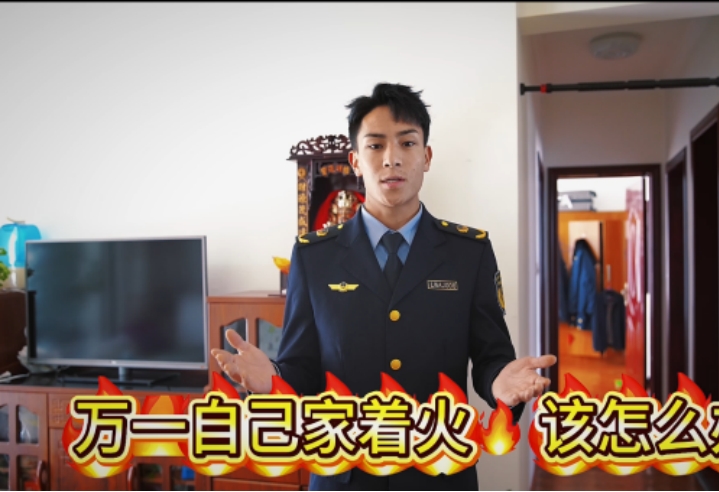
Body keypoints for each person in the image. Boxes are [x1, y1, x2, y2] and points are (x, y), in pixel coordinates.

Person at [211, 83, 556, 490]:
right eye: (375, 146)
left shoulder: (469, 252)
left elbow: (490, 357)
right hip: (344, 474)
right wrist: (272, 379)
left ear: (426, 157)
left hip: (439, 471)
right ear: (355, 161)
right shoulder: (314, 256)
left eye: (407, 143)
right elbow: (302, 370)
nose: (392, 158)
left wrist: (499, 382)